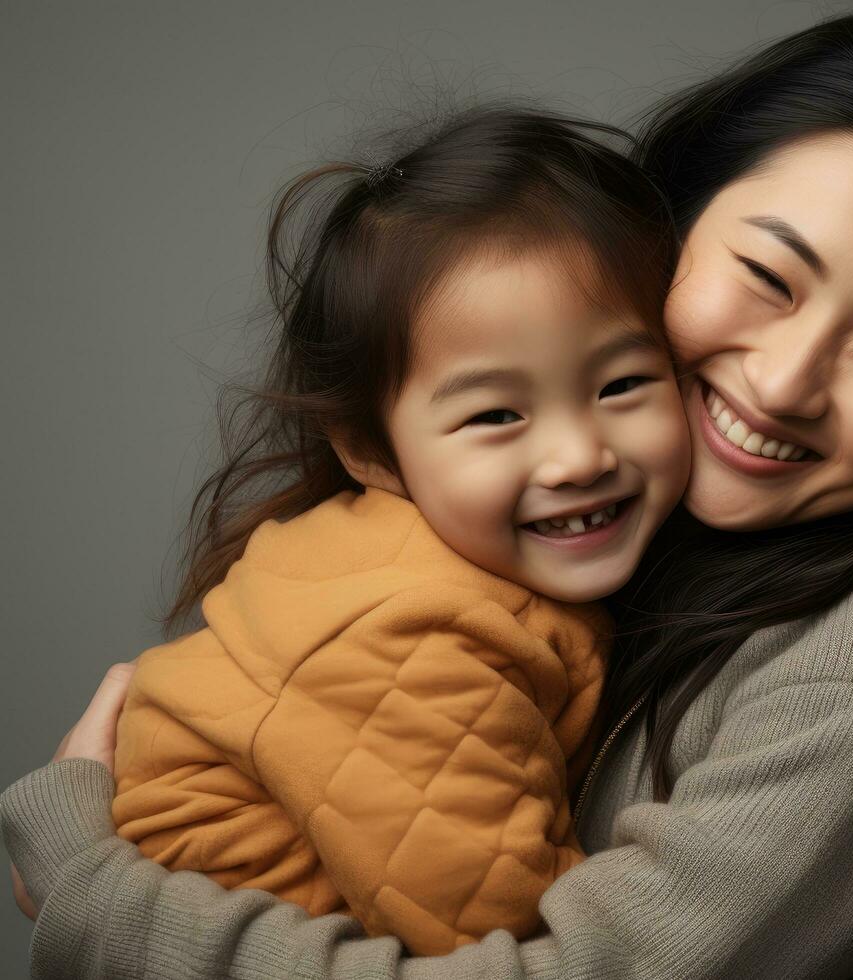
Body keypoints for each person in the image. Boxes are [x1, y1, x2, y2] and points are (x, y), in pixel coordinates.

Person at [1, 7, 853, 978]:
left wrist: (91, 888)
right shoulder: (545, 560)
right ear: (662, 234)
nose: (790, 377)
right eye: (767, 274)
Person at [38, 105, 693, 958]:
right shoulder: (407, 635)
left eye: (621, 385)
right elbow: (507, 938)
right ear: (372, 452)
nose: (577, 455)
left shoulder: (470, 570)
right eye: (496, 414)